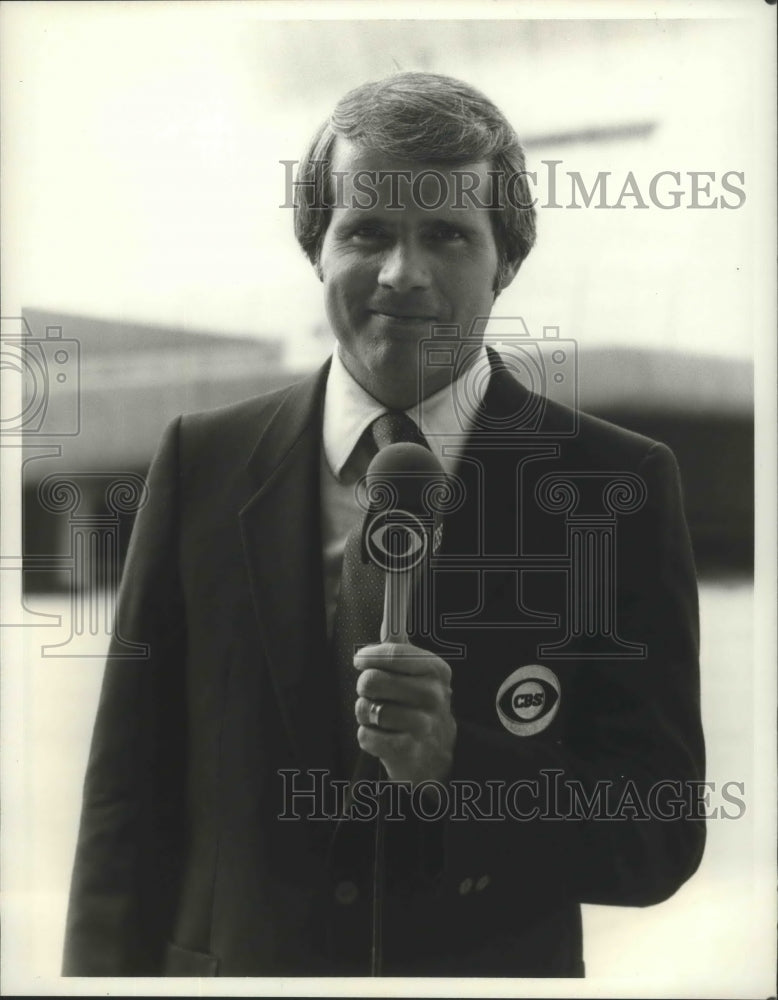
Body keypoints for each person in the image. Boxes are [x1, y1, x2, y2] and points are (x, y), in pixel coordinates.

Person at [62, 72, 705, 978]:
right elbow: (124, 809)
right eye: (367, 231)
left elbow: (658, 836)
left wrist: (460, 766)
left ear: (507, 259)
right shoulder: (201, 464)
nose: (403, 273)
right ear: (316, 248)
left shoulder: (616, 486)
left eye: (447, 234)